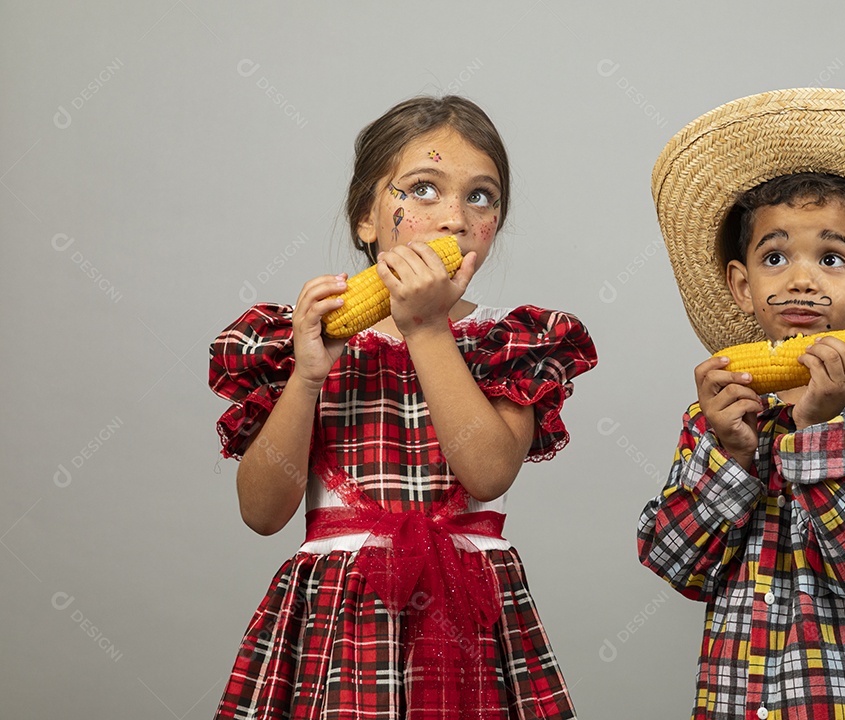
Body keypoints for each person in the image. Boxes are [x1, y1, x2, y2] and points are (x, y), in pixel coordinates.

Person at [208, 95, 596, 720]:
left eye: (481, 196)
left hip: (467, 614)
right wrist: (307, 376)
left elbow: (488, 474)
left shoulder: (509, 342)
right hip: (342, 617)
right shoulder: (306, 340)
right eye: (423, 189)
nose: (455, 217)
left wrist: (426, 328)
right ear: (367, 217)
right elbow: (261, 512)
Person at [638, 88, 845, 719]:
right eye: (774, 257)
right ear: (743, 285)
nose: (801, 279)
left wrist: (817, 429)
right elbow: (675, 565)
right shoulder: (716, 419)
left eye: (830, 257)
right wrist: (732, 456)